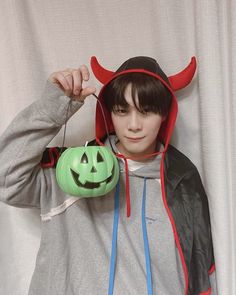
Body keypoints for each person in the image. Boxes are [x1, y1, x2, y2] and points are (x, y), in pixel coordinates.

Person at [0, 56, 216, 295]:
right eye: (122, 111)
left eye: (146, 112)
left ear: (165, 114)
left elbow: (200, 273)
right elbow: (6, 179)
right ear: (109, 112)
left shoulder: (182, 182)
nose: (134, 125)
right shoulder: (73, 169)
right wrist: (53, 108)